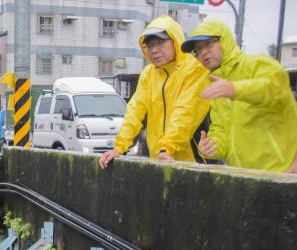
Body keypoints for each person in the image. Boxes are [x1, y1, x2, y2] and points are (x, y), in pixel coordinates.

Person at [182, 20, 297, 173]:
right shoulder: (216, 85)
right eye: (197, 50)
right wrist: (211, 146)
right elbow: (221, 130)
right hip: (245, 178)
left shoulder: (255, 63)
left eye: (209, 44)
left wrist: (235, 89)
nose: (203, 53)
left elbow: (275, 88)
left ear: (224, 40)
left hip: (283, 171)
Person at [99, 16, 210, 169]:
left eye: (160, 43)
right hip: (161, 158)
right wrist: (119, 148)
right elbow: (135, 111)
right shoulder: (148, 73)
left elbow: (186, 112)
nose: (154, 50)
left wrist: (167, 147)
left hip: (194, 160)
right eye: (149, 45)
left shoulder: (195, 68)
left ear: (175, 41)